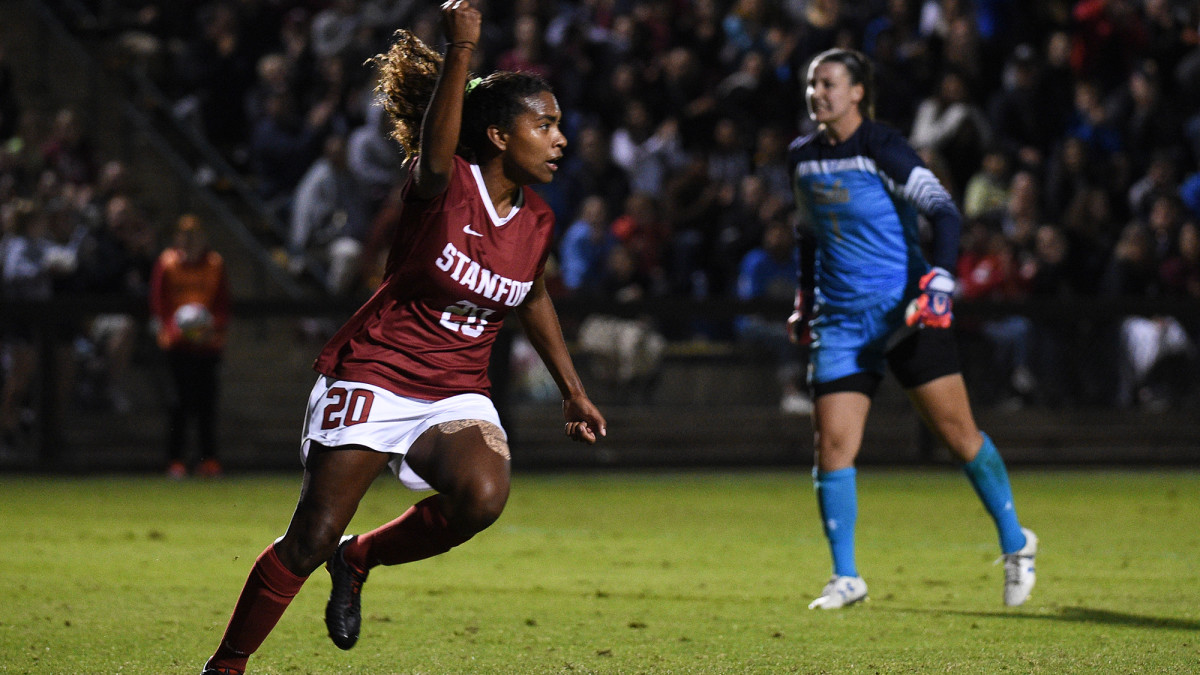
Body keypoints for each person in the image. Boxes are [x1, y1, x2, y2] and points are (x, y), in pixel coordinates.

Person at [200, 3, 606, 673]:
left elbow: (532, 294)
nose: (561, 139)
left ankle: (360, 558)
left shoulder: (537, 220)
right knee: (310, 537)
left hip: (456, 390)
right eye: (545, 124)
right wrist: (461, 50)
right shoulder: (443, 183)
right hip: (377, 372)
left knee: (483, 495)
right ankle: (226, 664)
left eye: (559, 124)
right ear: (499, 135)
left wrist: (572, 389)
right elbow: (438, 151)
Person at [786, 48, 1037, 610]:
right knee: (833, 447)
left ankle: (1016, 542)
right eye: (812, 84)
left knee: (959, 437)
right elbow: (808, 232)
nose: (817, 93)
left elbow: (944, 209)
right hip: (841, 322)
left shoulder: (883, 147)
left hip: (905, 316)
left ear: (857, 92)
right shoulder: (801, 156)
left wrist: (940, 280)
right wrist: (804, 299)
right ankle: (846, 576)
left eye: (828, 83)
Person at [149, 214, 231, 479]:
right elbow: (159, 303)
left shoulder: (215, 263)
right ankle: (175, 460)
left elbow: (222, 304)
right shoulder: (167, 263)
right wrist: (174, 331)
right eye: (185, 235)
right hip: (177, 346)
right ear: (177, 237)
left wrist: (211, 329)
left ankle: (209, 460)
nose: (190, 240)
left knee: (207, 404)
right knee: (178, 405)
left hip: (207, 346)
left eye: (194, 235)